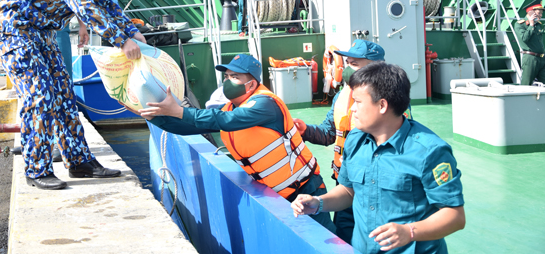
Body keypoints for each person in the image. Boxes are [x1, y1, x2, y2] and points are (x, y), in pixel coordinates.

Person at [0, 0, 147, 190]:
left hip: (40, 31)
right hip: (12, 29)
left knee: (62, 93)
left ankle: (79, 162)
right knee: (40, 95)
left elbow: (105, 1)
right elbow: (82, 4)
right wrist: (120, 40)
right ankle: (37, 170)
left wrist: (132, 31)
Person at [139, 54, 337, 233]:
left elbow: (226, 120)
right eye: (226, 77)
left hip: (305, 189)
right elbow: (187, 127)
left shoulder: (266, 104)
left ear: (251, 84)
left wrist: (180, 111)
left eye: (234, 77)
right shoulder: (231, 108)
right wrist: (151, 114)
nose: (227, 81)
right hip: (275, 195)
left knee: (325, 239)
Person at [292, 62, 465, 253]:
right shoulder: (355, 140)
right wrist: (319, 203)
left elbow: (455, 216)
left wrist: (409, 232)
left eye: (357, 102)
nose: (352, 110)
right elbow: (349, 192)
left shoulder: (429, 151)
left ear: (382, 105)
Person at [293, 40, 412, 244]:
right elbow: (330, 132)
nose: (349, 70)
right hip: (346, 181)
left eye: (355, 64)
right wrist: (306, 130)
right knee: (345, 237)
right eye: (348, 63)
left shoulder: (390, 101)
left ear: (377, 67)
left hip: (376, 185)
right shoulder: (341, 96)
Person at [515, 0, 545, 85]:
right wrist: (531, 25)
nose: (541, 16)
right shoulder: (520, 24)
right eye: (539, 13)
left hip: (542, 58)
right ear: (531, 13)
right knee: (526, 84)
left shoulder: (538, 24)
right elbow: (524, 38)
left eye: (541, 14)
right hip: (530, 58)